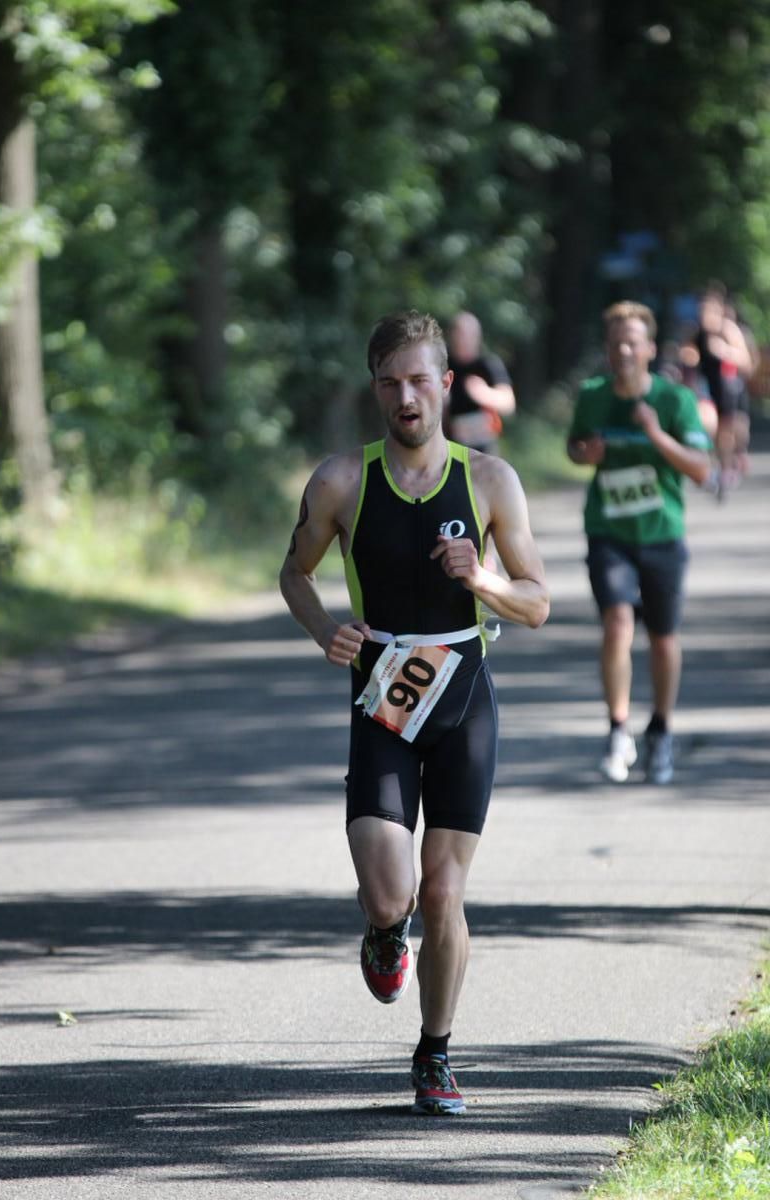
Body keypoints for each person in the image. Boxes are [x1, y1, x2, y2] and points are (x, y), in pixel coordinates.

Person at [280, 310, 548, 1115]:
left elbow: (536, 604)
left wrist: (486, 581)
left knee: (444, 893)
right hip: (384, 695)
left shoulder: (492, 480)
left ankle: (435, 1055)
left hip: (464, 693)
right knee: (391, 894)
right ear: (376, 389)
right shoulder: (341, 481)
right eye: (391, 382)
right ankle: (380, 931)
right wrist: (326, 628)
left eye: (420, 379)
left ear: (445, 383)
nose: (407, 396)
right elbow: (295, 573)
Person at [567, 301, 711, 786]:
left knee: (663, 637)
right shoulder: (592, 396)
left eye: (633, 342)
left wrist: (655, 435)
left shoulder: (675, 401)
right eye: (616, 344)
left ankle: (662, 729)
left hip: (662, 535)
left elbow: (700, 469)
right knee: (617, 621)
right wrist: (586, 454)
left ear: (649, 348)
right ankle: (618, 729)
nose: (624, 351)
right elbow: (576, 448)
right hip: (609, 531)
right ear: (608, 351)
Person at [694, 286, 755, 499]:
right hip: (708, 390)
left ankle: (726, 467)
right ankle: (715, 467)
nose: (704, 316)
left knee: (729, 432)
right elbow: (689, 357)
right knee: (708, 425)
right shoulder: (698, 334)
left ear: (719, 310)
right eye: (701, 311)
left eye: (709, 311)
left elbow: (746, 362)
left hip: (730, 390)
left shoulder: (728, 330)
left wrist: (723, 350)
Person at [444, 311, 516, 455]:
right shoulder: (444, 364)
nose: (462, 339)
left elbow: (509, 404)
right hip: (450, 446)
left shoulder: (488, 364)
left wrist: (483, 393)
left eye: (467, 334)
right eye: (458, 333)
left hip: (484, 449)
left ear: (477, 337)